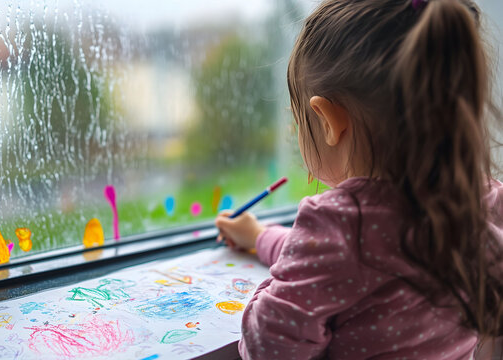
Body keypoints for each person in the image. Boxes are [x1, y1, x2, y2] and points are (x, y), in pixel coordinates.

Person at [215, 0, 503, 358]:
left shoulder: (342, 222)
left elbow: (266, 347)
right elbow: (330, 259)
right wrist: (260, 237)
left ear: (329, 120)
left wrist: (271, 286)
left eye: (299, 121)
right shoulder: (483, 199)